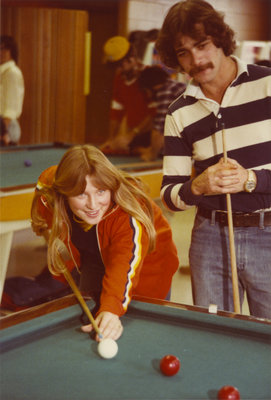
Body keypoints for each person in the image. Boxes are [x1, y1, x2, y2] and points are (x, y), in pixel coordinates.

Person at [155, 0, 271, 319]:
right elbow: (169, 195)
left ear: (219, 38)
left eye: (202, 45)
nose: (197, 59)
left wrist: (251, 179)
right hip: (210, 239)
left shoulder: (267, 85)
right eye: (184, 52)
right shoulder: (179, 112)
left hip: (268, 233)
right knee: (215, 337)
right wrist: (199, 186)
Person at [31, 145, 179, 341]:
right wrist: (39, 216)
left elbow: (123, 266)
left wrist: (110, 309)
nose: (93, 204)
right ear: (64, 193)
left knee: (137, 332)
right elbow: (42, 187)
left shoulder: (128, 215)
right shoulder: (55, 185)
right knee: (89, 317)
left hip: (148, 270)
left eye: (101, 191)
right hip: (94, 258)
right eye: (81, 194)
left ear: (111, 186)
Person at [100, 36, 155, 155]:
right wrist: (111, 139)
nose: (118, 70)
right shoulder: (119, 78)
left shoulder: (150, 76)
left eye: (120, 65)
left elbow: (154, 115)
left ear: (131, 59)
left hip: (153, 134)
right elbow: (116, 111)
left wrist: (131, 135)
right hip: (135, 133)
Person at [137, 65, 186, 161]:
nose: (147, 95)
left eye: (146, 91)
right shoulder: (175, 86)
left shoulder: (165, 91)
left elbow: (159, 130)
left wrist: (151, 155)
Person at [0, 36, 24, 146]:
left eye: (4, 49)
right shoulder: (2, 72)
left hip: (6, 128)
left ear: (12, 51)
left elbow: (11, 106)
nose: (1, 52)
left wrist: (3, 131)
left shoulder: (12, 72)